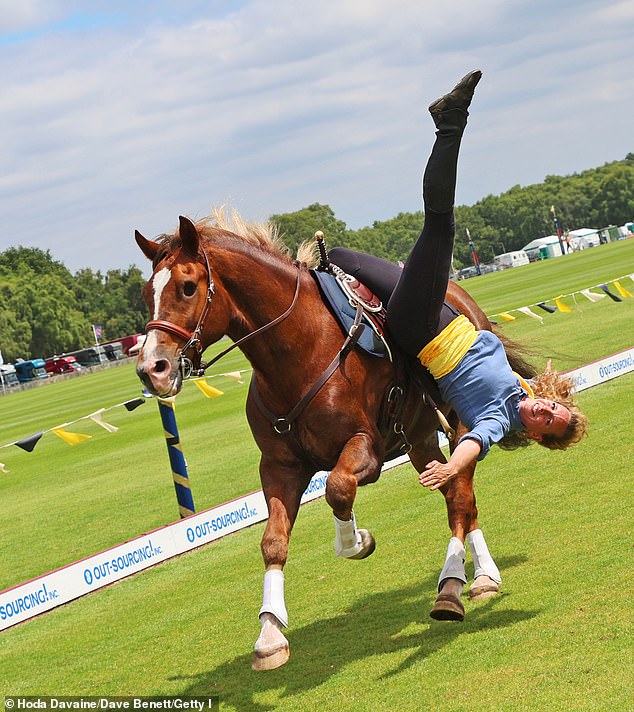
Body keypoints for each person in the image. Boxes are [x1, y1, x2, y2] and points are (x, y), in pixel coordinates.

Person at [329, 70, 588, 491]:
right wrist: (552, 390)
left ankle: (449, 122)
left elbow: (472, 442)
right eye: (552, 407)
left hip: (425, 329)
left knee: (441, 226)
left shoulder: (497, 421)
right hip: (445, 315)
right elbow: (543, 388)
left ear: (537, 435)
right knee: (342, 258)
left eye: (546, 419)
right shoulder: (524, 392)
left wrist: (453, 467)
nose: (543, 409)